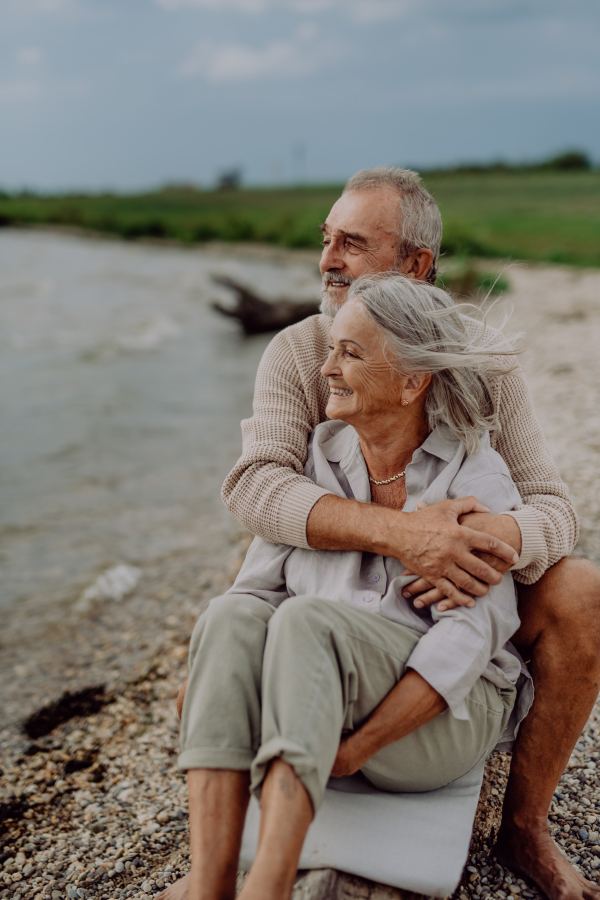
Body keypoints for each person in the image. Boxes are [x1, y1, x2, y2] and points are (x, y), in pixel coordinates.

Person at [218, 168, 600, 900]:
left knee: (580, 587)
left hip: (449, 597)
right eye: (326, 240)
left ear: (417, 265)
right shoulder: (298, 353)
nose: (328, 260)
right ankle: (232, 841)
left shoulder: (482, 360)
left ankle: (525, 827)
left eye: (353, 244)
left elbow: (555, 507)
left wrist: (487, 538)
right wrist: (407, 535)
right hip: (338, 592)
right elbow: (256, 487)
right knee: (244, 601)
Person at [175, 274, 534, 900]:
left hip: (440, 720)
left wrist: (357, 749)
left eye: (350, 353)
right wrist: (215, 681)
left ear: (411, 381)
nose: (327, 370)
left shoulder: (475, 478)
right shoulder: (322, 456)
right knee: (227, 619)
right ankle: (208, 885)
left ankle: (267, 886)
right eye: (330, 349)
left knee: (304, 621)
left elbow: (469, 642)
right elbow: (253, 593)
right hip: (325, 700)